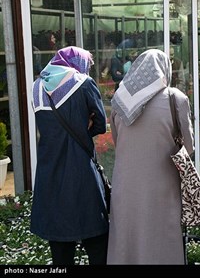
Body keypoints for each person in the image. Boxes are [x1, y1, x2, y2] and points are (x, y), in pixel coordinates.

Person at [107, 49, 194, 264]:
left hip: (125, 183)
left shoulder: (120, 100)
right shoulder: (176, 99)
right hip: (162, 183)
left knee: (127, 236)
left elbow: (118, 143)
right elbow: (189, 147)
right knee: (161, 235)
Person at [30, 46, 109, 265]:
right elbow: (100, 124)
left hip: (50, 171)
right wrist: (86, 125)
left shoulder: (37, 87)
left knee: (60, 246)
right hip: (80, 168)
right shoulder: (83, 83)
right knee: (96, 239)